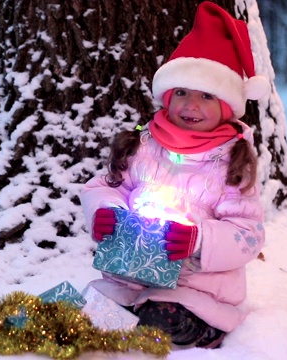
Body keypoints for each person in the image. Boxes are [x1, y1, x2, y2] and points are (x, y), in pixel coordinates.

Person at [79, 2, 269, 349]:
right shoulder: (144, 143)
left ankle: (205, 331)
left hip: (194, 289)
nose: (190, 105)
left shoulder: (232, 163)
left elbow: (248, 234)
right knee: (84, 311)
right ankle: (121, 331)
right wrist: (105, 213)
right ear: (167, 97)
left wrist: (198, 241)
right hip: (129, 278)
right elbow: (104, 187)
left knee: (162, 320)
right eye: (181, 92)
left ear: (227, 107)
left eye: (206, 96)